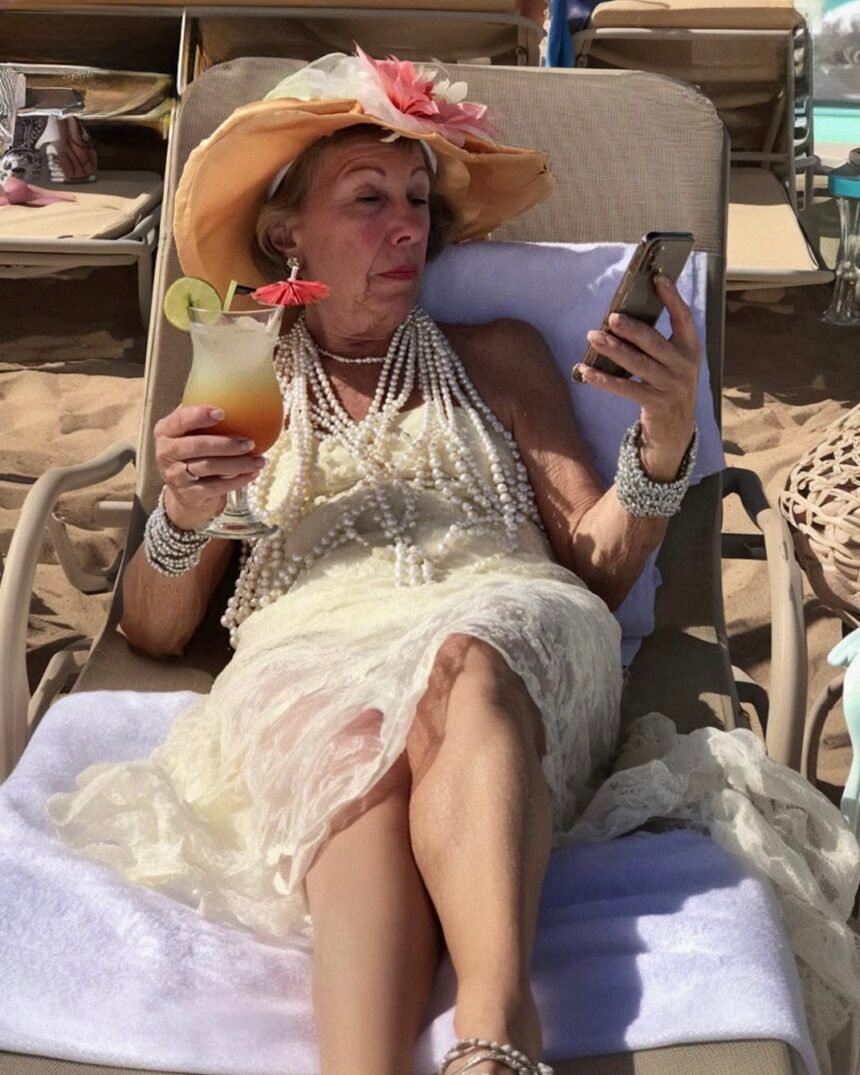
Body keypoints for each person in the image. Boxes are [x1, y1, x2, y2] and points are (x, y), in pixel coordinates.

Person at [43, 50, 857, 1075]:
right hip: (313, 651)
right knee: (354, 764)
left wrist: (659, 441)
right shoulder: (240, 369)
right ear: (286, 232)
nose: (405, 227)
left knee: (464, 659)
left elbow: (596, 568)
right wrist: (186, 510)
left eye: (418, 201)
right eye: (367, 197)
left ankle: (497, 1028)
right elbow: (157, 631)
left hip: (508, 631)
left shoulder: (498, 353)